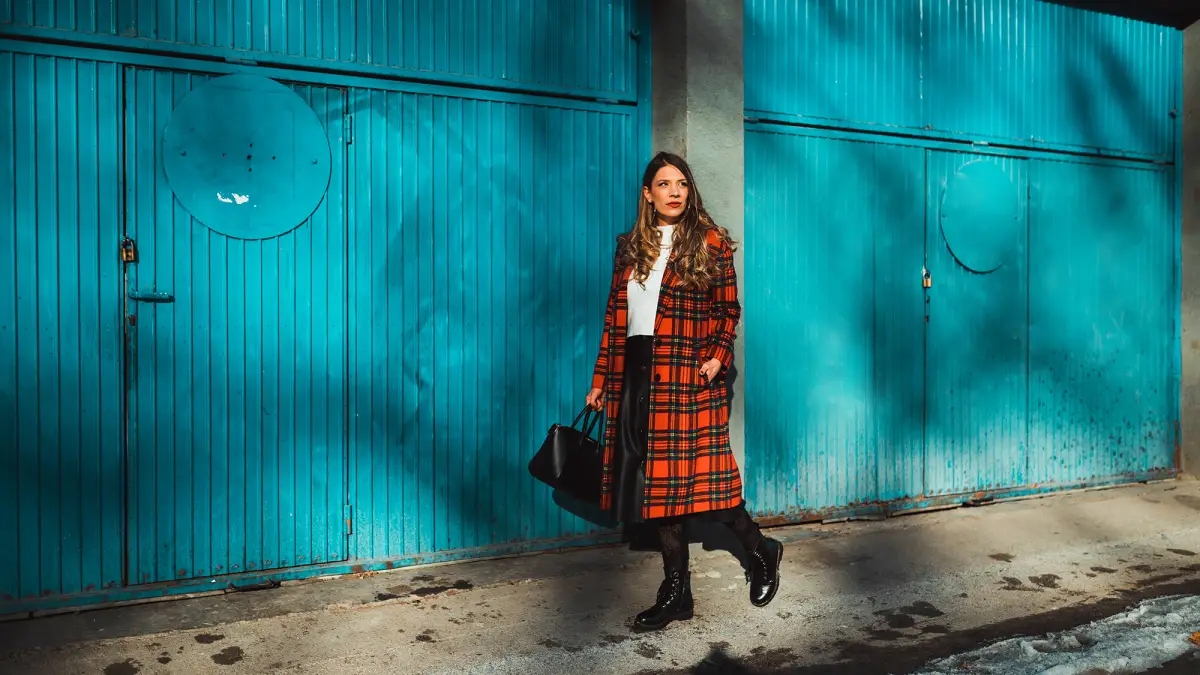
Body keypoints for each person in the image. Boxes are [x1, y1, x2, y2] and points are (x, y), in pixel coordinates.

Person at [585, 151, 783, 632]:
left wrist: (717, 357)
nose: (674, 191)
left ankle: (760, 548)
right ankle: (677, 592)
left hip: (687, 375)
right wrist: (601, 380)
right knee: (659, 491)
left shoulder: (712, 244)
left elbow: (728, 311)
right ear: (648, 194)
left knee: (709, 489)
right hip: (637, 374)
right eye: (664, 183)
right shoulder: (630, 248)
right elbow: (616, 320)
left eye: (682, 183)